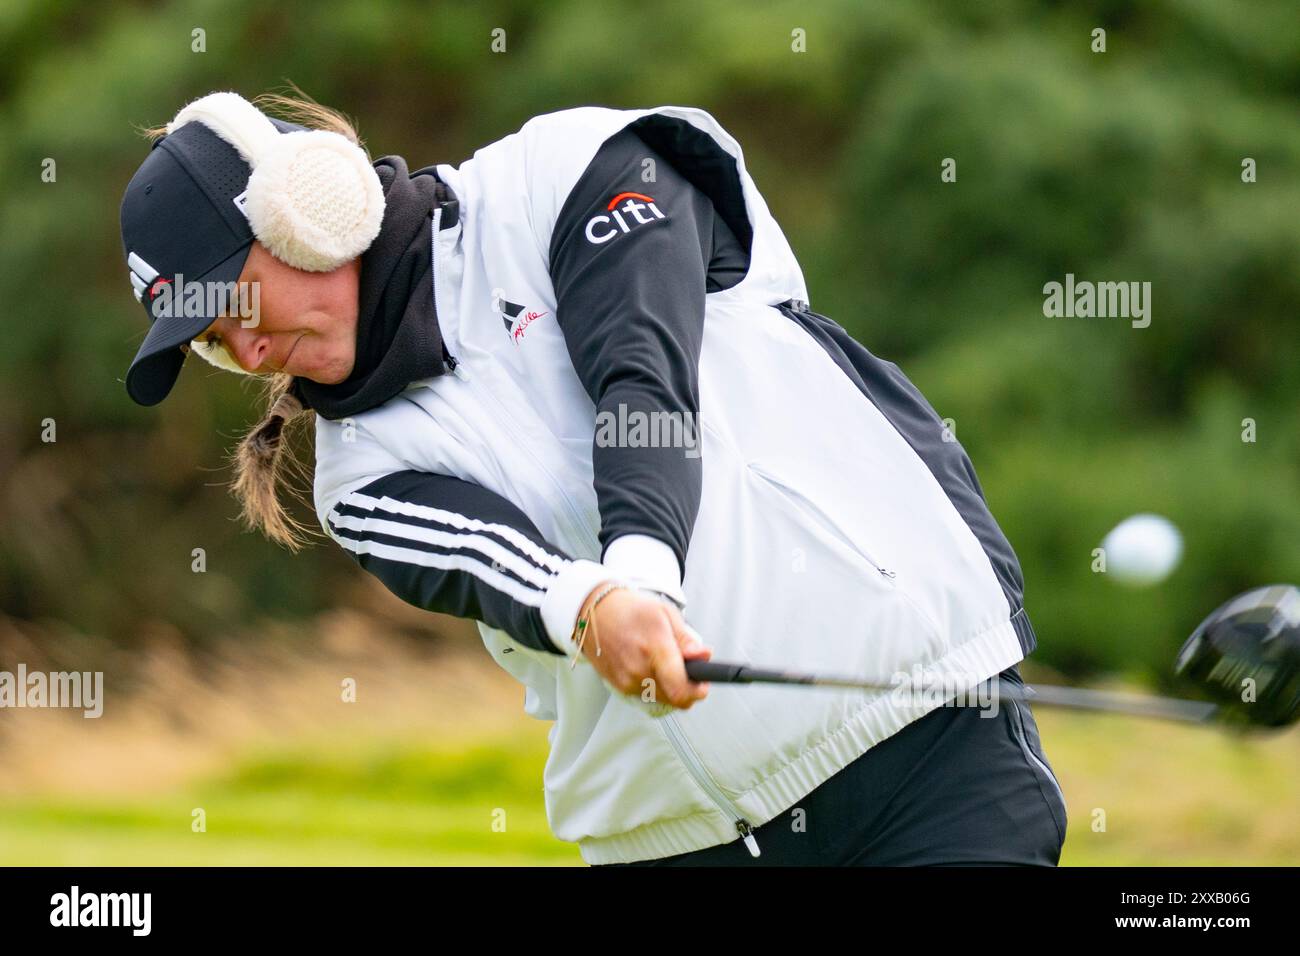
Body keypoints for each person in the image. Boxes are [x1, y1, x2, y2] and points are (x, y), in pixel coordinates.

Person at [118, 89, 1068, 866]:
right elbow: (495, 562)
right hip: (674, 841)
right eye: (212, 340)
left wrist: (644, 573)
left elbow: (641, 374)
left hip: (921, 732)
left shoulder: (564, 171)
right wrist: (591, 607)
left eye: (233, 299)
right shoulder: (357, 474)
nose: (246, 345)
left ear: (307, 211)